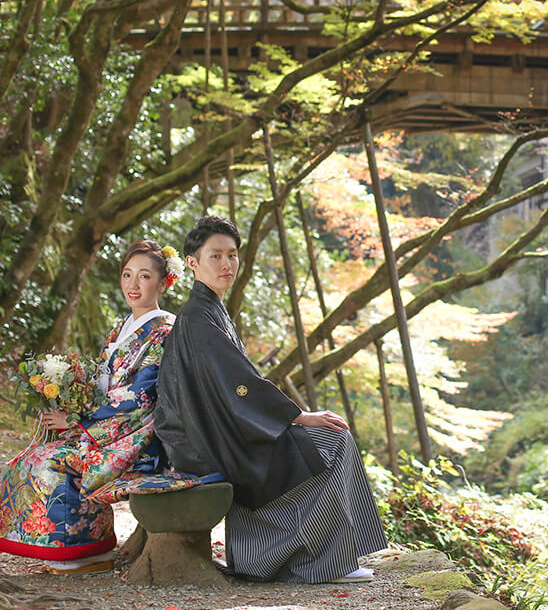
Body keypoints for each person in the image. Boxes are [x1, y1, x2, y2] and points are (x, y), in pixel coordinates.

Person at [154, 215, 388, 584]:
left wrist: (289, 417)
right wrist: (297, 416)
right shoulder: (199, 317)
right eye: (215, 256)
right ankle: (322, 562)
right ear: (192, 262)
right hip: (211, 437)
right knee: (334, 441)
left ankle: (275, 558)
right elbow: (240, 385)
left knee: (327, 442)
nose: (227, 264)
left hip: (216, 428)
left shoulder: (208, 309)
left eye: (232, 255)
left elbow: (236, 384)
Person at [0, 240, 183, 573]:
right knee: (26, 459)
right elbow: (101, 378)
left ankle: (83, 550)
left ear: (163, 282)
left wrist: (76, 419)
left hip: (133, 431)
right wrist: (62, 385)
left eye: (144, 276)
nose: (133, 284)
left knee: (50, 462)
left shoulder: (163, 331)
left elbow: (141, 394)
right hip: (102, 423)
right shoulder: (121, 327)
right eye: (127, 275)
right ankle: (82, 545)